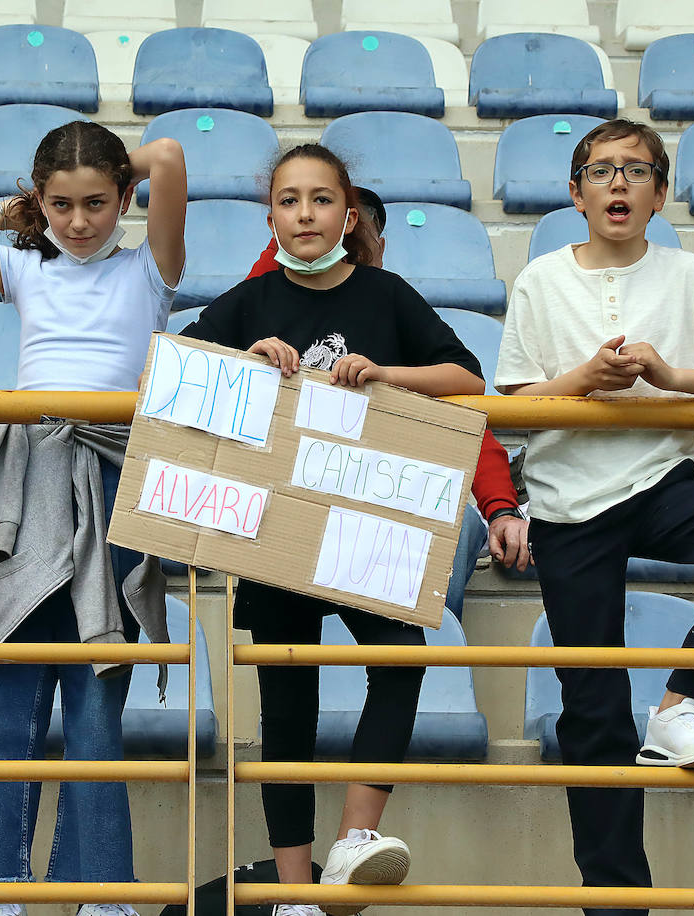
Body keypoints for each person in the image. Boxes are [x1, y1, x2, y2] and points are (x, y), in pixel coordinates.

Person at [493, 119, 694, 912]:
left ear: (662, 193)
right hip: (567, 505)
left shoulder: (690, 275)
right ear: (575, 192)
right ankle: (616, 900)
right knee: (590, 712)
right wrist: (583, 380)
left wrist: (669, 374)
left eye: (637, 171)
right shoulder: (539, 281)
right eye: (601, 171)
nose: (619, 184)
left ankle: (679, 703)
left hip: (662, 482)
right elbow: (511, 407)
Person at [0, 121, 186, 916]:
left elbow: (171, 158)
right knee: (7, 681)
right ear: (39, 201)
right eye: (61, 204)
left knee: (97, 683)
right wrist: (18, 210)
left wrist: (118, 167)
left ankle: (100, 891)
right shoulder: (24, 263)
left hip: (116, 475)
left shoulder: (151, 268)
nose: (80, 221)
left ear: (126, 196)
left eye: (97, 202)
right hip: (27, 480)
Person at [181, 144, 486, 916]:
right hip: (274, 524)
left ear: (348, 215)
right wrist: (247, 360)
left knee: (402, 659)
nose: (305, 214)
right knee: (286, 706)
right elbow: (181, 376)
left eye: (321, 200)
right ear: (272, 215)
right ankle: (294, 898)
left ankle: (353, 843)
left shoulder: (386, 293)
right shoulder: (248, 300)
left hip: (365, 522)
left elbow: (466, 378)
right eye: (289, 200)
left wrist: (386, 373)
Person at [246, 186, 531, 620]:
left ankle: (429, 661)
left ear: (378, 245)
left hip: (387, 512)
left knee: (458, 529)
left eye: (353, 236)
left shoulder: (396, 311)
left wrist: (501, 509)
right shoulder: (266, 302)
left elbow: (466, 421)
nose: (343, 251)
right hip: (294, 505)